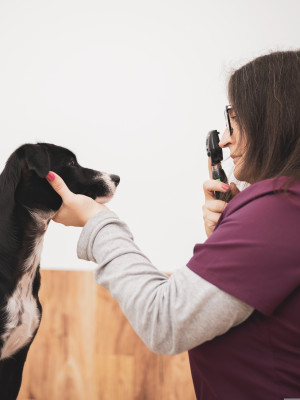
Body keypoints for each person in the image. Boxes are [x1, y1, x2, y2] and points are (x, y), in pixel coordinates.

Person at [46, 50, 300, 399]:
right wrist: (238, 223)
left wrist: (98, 221)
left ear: (274, 121)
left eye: (235, 119)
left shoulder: (279, 210)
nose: (224, 140)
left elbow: (163, 320)